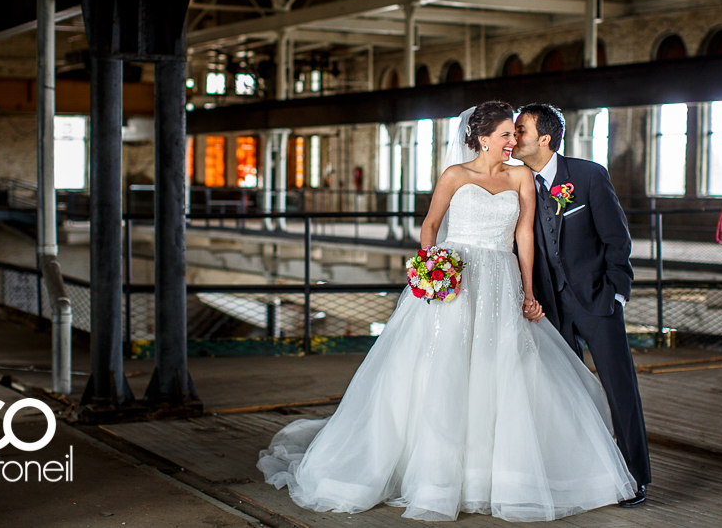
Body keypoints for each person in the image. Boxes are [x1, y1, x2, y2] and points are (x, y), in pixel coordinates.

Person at [256, 102, 636, 522]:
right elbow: (431, 225)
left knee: (503, 368)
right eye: (507, 134)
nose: (514, 141)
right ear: (482, 138)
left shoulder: (522, 177)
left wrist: (529, 292)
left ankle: (496, 476)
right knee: (442, 369)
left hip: (501, 277)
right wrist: (429, 267)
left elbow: (525, 235)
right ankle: (436, 477)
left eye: (517, 133)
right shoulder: (455, 175)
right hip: (457, 279)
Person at [511, 103, 651, 506]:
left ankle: (635, 477)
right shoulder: (516, 181)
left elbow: (617, 240)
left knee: (620, 389)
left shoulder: (589, 176)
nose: (514, 137)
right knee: (562, 392)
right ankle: (579, 473)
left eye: (521, 130)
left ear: (545, 138)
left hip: (596, 301)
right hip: (547, 309)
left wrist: (616, 293)